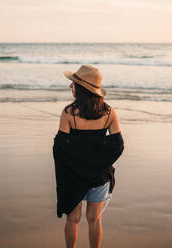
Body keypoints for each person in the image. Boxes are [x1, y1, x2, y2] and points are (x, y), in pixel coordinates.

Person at [53, 65, 124, 248]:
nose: (70, 86)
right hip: (99, 174)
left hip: (73, 174)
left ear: (82, 88)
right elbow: (118, 145)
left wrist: (77, 164)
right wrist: (97, 162)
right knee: (94, 218)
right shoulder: (109, 112)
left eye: (73, 83)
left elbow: (60, 147)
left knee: (73, 218)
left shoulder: (69, 113)